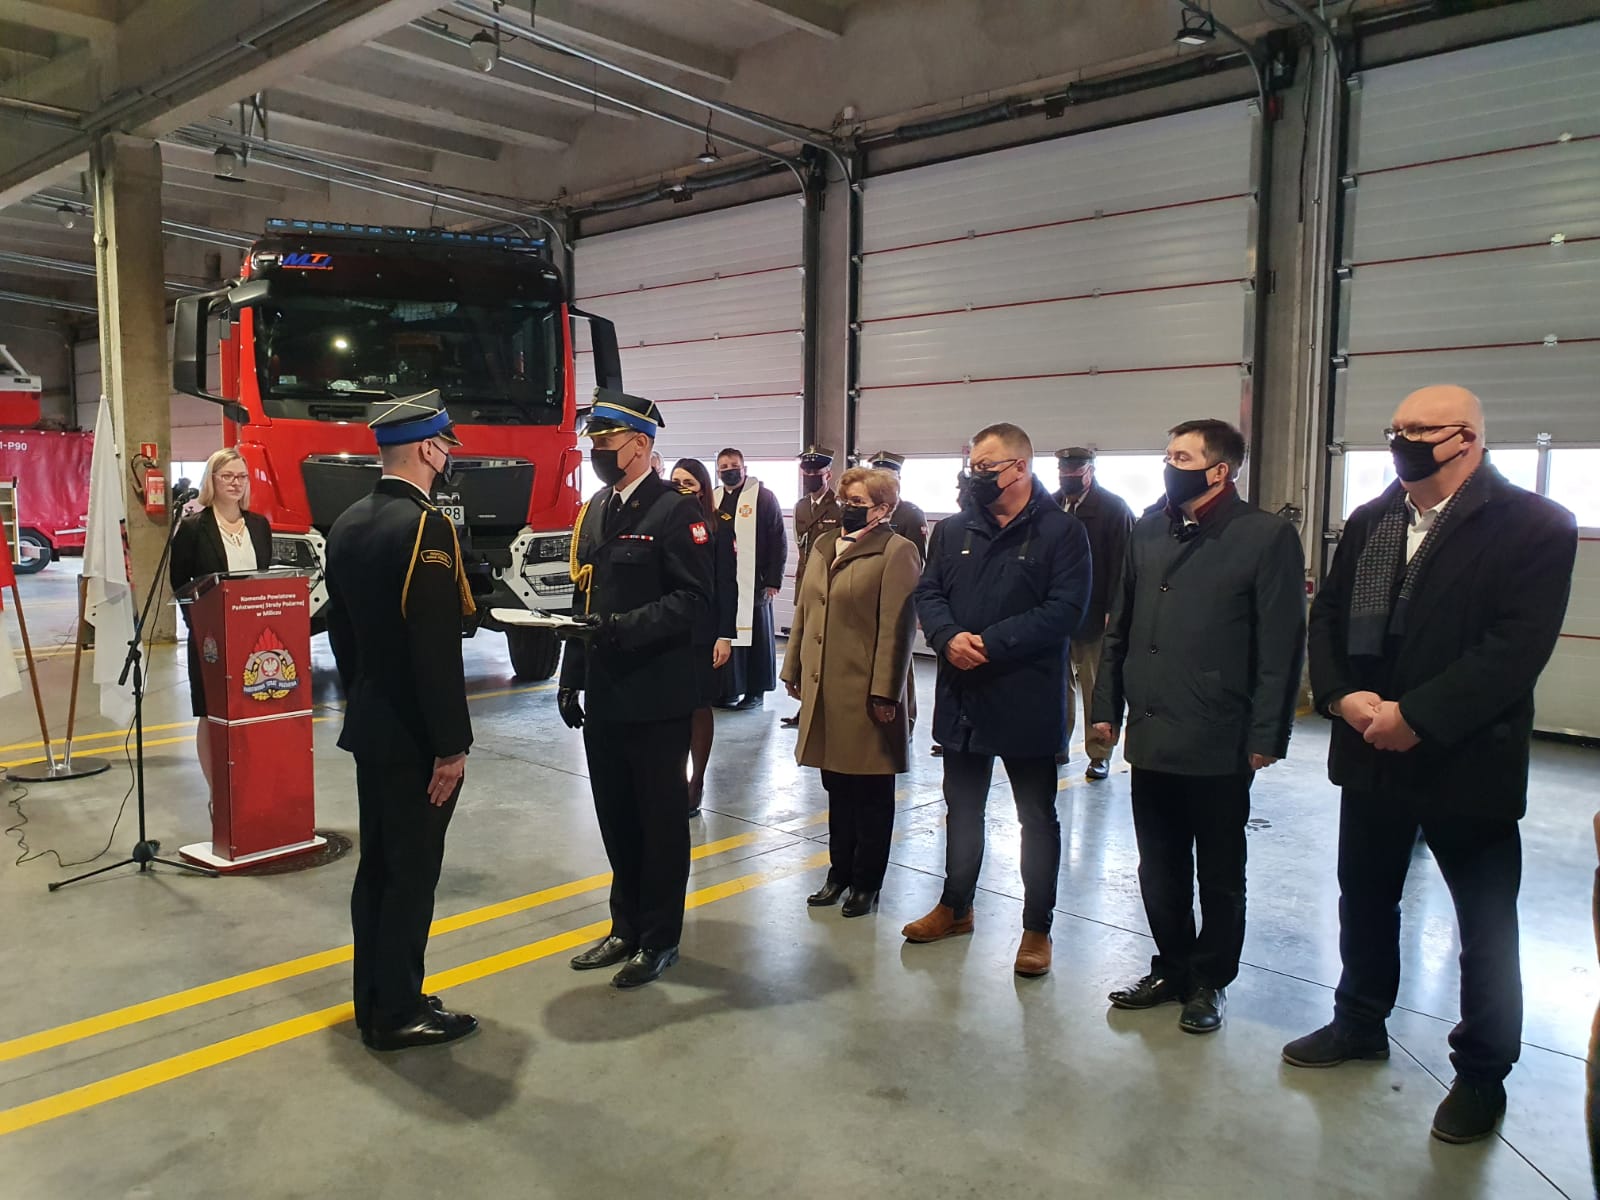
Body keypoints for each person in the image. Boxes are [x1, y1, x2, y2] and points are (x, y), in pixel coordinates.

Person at [1281, 385, 1577, 1144]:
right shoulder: (1372, 519)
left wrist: (1416, 717)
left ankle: (1482, 1072)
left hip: (1465, 761)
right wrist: (1341, 696)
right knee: (1365, 898)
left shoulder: (1535, 525)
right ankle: (1359, 1021)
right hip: (1369, 752)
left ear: (1466, 437)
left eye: (1420, 429)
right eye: (1396, 428)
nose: (1402, 441)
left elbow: (1515, 648)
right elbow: (1329, 615)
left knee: (1484, 925)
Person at [1091, 419, 1305, 1037]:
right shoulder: (1147, 529)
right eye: (1168, 454)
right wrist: (1106, 705)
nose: (1169, 465)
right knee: (1157, 867)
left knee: (1218, 870)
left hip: (1219, 733)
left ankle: (1210, 979)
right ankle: (1171, 967)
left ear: (1220, 470)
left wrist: (1267, 733)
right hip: (1152, 730)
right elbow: (1119, 627)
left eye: (1181, 457)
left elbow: (1281, 645)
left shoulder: (1264, 536)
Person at [903, 422, 1091, 977]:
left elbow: (1065, 610)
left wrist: (989, 643)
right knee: (962, 809)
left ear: (1020, 468)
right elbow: (928, 591)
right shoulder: (953, 528)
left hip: (1026, 696)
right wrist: (946, 637)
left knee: (1036, 816)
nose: (976, 476)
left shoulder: (1061, 532)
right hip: (963, 696)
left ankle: (1037, 928)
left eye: (986, 467)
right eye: (973, 467)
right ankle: (955, 906)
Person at [324, 390, 478, 1051]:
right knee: (412, 873)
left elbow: (342, 634)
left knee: (380, 868)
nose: (447, 457)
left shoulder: (348, 521)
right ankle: (399, 1012)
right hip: (416, 734)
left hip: (371, 720)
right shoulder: (426, 528)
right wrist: (451, 745)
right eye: (444, 446)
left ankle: (377, 998)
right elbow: (434, 648)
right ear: (428, 449)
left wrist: (366, 696)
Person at [559, 390, 714, 988]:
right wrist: (571, 676)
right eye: (595, 442)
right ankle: (624, 925)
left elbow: (693, 599)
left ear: (642, 446)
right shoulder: (598, 507)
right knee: (616, 816)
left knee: (660, 820)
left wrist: (622, 628)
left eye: (608, 442)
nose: (598, 451)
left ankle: (659, 937)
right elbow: (585, 596)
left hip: (656, 694)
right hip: (606, 692)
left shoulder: (676, 511)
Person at [781, 466, 921, 918]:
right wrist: (793, 666)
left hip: (866, 692)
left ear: (884, 509)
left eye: (858, 503)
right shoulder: (825, 544)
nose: (848, 509)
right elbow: (804, 611)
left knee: (871, 792)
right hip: (825, 687)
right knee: (836, 787)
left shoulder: (897, 552)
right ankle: (838, 872)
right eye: (845, 501)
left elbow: (898, 629)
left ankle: (867, 882)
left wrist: (886, 693)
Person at [170, 448, 272, 796]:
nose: (235, 483)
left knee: (251, 707)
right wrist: (199, 626)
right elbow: (180, 583)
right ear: (211, 480)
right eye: (227, 476)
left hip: (252, 635)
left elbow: (262, 578)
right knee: (211, 712)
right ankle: (218, 793)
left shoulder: (259, 525)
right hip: (210, 637)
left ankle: (249, 785)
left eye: (241, 476)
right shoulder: (193, 528)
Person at [1053, 447, 1134, 778]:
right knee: (1057, 686)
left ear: (1090, 472)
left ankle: (1100, 752)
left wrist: (1114, 609)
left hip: (1096, 612)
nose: (1068, 478)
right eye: (1064, 472)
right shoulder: (1051, 505)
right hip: (1056, 612)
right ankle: (1057, 742)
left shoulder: (1113, 509)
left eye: (1075, 472)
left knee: (1097, 687)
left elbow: (1123, 565)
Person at [671, 457, 736, 816]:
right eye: (676, 482)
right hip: (669, 630)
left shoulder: (719, 526)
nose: (681, 489)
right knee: (671, 709)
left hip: (704, 631)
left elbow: (727, 583)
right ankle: (673, 780)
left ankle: (695, 782)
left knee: (698, 707)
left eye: (689, 483)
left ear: (702, 489)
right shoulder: (664, 523)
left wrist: (725, 634)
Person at [712, 447, 787, 711]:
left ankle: (756, 691)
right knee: (728, 633)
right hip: (725, 579)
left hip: (756, 580)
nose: (729, 470)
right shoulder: (714, 497)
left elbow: (778, 539)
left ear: (744, 468)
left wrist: (773, 580)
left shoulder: (763, 497)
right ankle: (729, 688)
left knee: (756, 637)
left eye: (734, 465)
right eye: (723, 467)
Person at [782, 445, 842, 729]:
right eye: (806, 472)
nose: (810, 476)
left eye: (815, 472)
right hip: (806, 581)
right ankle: (804, 705)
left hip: (829, 586)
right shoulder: (801, 506)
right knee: (805, 649)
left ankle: (824, 706)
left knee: (825, 650)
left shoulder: (840, 507)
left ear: (828, 473)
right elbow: (801, 547)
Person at [865, 451, 929, 559]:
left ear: (898, 480)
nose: (881, 483)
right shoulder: (865, 510)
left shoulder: (911, 515)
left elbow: (917, 558)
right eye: (876, 478)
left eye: (887, 478)